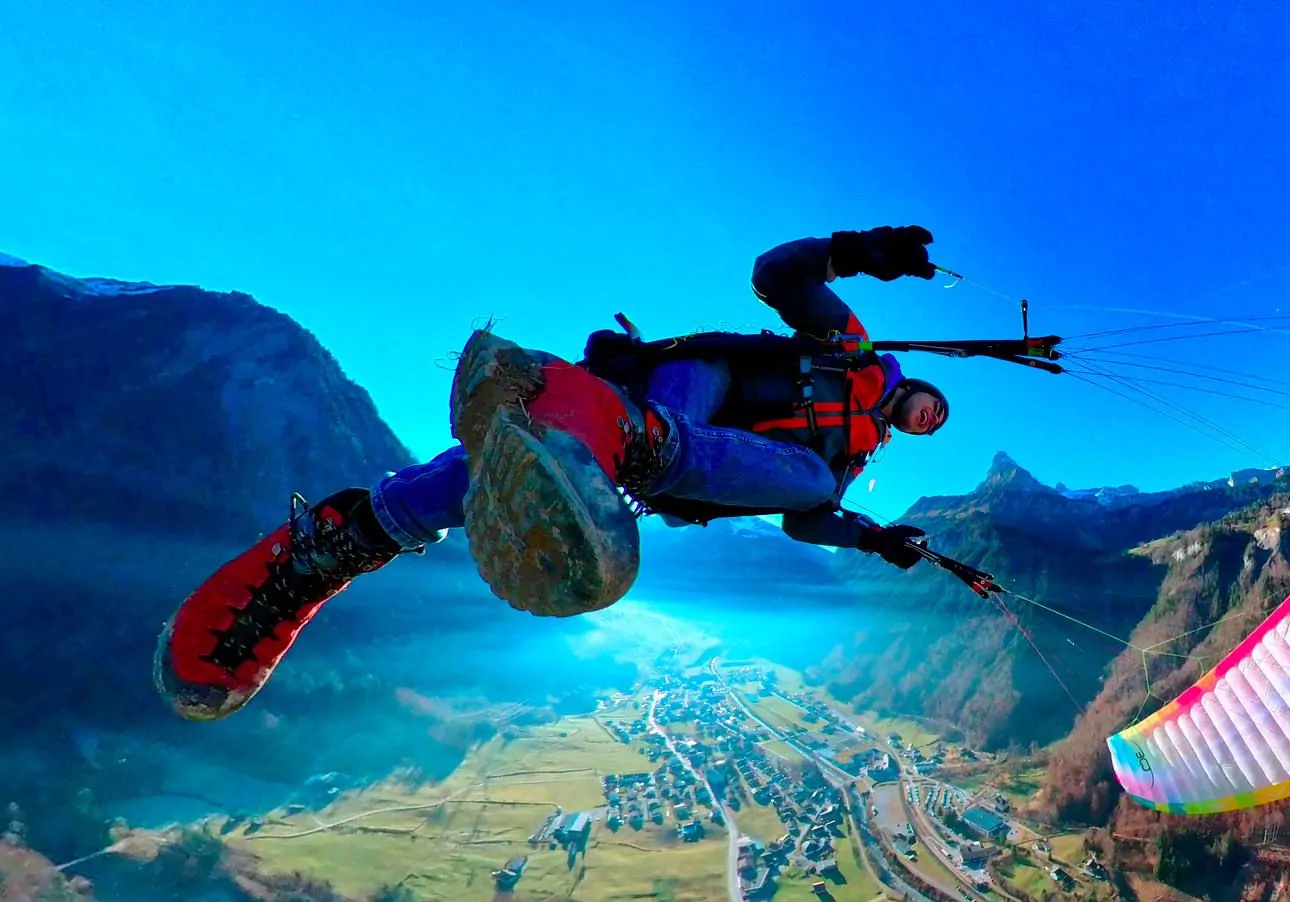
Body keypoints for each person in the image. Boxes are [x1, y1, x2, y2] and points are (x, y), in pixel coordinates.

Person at [155, 226, 950, 722]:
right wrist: (852, 252)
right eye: (931, 406)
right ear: (913, 384)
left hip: (648, 456)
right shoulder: (854, 353)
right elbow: (778, 275)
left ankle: (346, 539)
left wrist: (876, 540)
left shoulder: (846, 462)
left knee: (514, 466)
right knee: (741, 463)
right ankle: (621, 430)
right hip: (683, 391)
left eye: (931, 426)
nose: (927, 418)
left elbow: (808, 522)